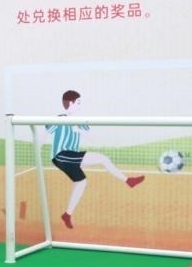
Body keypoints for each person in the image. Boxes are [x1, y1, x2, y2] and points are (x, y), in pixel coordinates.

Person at [46, 90, 144, 230]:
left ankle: (67, 214)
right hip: (61, 155)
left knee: (82, 182)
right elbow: (45, 131)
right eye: (78, 102)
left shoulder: (80, 121)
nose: (80, 105)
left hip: (71, 156)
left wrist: (79, 130)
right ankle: (129, 181)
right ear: (71, 103)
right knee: (102, 159)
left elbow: (92, 137)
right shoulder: (59, 119)